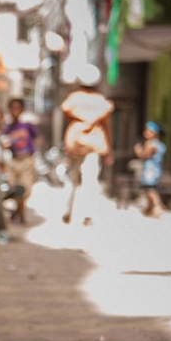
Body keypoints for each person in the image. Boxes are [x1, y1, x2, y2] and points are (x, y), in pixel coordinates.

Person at [60, 65, 114, 226]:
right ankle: (88, 214)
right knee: (91, 179)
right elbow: (106, 125)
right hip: (94, 143)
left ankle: (67, 211)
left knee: (72, 179)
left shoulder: (74, 99)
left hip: (74, 142)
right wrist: (109, 149)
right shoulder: (101, 102)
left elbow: (66, 115)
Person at [1, 98, 39, 224]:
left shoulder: (27, 126)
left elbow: (37, 138)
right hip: (13, 161)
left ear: (22, 110)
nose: (14, 111)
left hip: (26, 160)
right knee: (14, 189)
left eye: (17, 108)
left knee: (24, 188)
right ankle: (19, 214)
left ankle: (21, 216)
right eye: (12, 108)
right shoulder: (7, 129)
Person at [133, 120, 167, 217]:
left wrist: (138, 150)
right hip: (155, 169)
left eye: (148, 131)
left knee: (150, 189)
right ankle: (150, 208)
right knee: (148, 188)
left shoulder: (151, 144)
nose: (146, 132)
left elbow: (144, 156)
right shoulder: (159, 144)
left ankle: (157, 206)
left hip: (150, 170)